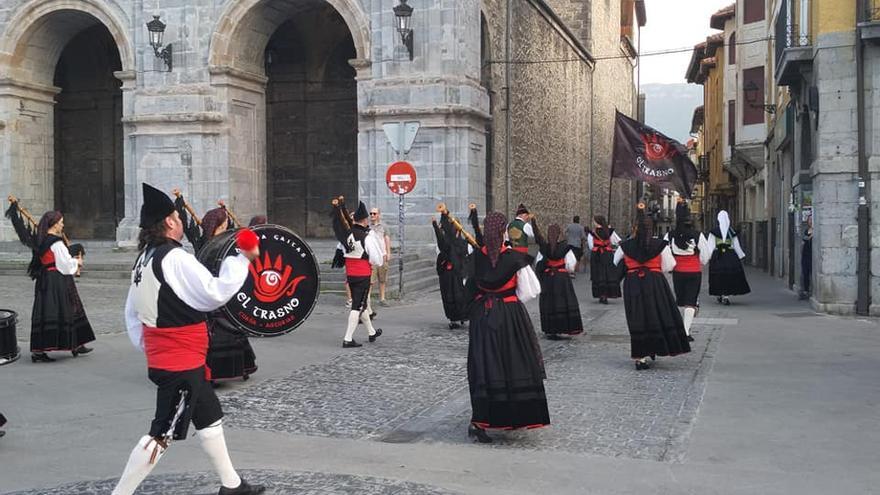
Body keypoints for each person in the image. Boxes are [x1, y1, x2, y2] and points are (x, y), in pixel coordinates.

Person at [113, 183, 264, 495]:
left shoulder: (144, 258)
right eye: (178, 217)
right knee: (161, 433)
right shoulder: (174, 258)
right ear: (169, 222)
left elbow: (132, 313)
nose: (182, 222)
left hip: (174, 357)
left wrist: (152, 346)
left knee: (208, 418)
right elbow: (213, 292)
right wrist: (243, 259)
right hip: (179, 361)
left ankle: (231, 485)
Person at [466, 211, 548, 444]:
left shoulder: (475, 258)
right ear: (503, 232)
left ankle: (480, 421)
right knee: (514, 362)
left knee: (484, 365)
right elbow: (530, 291)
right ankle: (513, 415)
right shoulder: (514, 259)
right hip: (510, 316)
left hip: (483, 316)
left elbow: (468, 288)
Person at [614, 204, 690, 370]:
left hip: (633, 283)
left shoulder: (625, 246)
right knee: (656, 314)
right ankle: (655, 347)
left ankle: (640, 357)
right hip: (655, 283)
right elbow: (670, 265)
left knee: (637, 318)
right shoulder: (660, 245)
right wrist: (654, 269)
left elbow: (616, 262)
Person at [199, 208, 258, 383]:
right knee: (223, 332)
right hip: (216, 293)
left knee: (229, 331)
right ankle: (216, 373)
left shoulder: (210, 241)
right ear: (220, 224)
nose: (227, 225)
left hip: (215, 293)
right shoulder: (218, 244)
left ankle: (229, 370)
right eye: (225, 223)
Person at [28, 212, 95, 362]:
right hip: (57, 280)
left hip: (45, 279)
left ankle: (75, 344)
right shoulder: (56, 243)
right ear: (54, 224)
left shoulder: (42, 239)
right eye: (61, 222)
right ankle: (62, 347)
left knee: (48, 310)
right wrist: (77, 262)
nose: (63, 225)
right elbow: (64, 264)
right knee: (66, 309)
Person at [332, 201, 384, 348]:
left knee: (359, 303)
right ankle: (348, 338)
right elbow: (377, 259)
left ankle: (371, 332)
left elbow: (342, 252)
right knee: (357, 306)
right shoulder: (367, 236)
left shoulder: (347, 235)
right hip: (363, 275)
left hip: (351, 274)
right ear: (365, 220)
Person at [533, 220, 583, 339]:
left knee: (549, 302)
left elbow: (538, 261)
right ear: (559, 234)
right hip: (561, 279)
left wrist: (534, 223)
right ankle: (562, 327)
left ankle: (551, 329)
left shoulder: (544, 247)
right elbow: (571, 265)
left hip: (548, 278)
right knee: (563, 301)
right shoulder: (565, 247)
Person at [664, 201, 706, 342]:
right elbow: (705, 256)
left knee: (680, 300)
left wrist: (669, 266)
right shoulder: (697, 235)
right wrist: (700, 261)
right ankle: (686, 331)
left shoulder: (670, 236)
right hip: (694, 271)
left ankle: (680, 327)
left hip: (678, 271)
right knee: (690, 301)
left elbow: (664, 252)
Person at [432, 211, 473, 329]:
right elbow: (440, 253)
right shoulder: (446, 244)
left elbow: (470, 256)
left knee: (460, 296)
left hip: (459, 274)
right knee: (450, 296)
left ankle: (461, 316)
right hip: (448, 274)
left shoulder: (465, 243)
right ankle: (455, 317)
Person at [701, 210, 751, 305]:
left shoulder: (714, 232)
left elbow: (710, 246)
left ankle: (720, 294)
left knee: (718, 276)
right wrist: (740, 255)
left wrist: (706, 257)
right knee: (729, 276)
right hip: (730, 256)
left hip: (717, 256)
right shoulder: (731, 232)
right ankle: (726, 295)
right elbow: (736, 245)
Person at [587, 215, 622, 304]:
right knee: (607, 274)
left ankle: (601, 295)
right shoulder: (609, 231)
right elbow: (619, 242)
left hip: (596, 255)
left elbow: (591, 246)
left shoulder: (592, 233)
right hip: (607, 255)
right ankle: (606, 294)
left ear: (596, 222)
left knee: (598, 274)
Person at [369, 208, 392, 306]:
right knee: (370, 280)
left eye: (374, 213)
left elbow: (387, 239)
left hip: (382, 255)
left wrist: (388, 253)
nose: (372, 215)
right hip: (372, 257)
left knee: (382, 279)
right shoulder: (367, 226)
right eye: (371, 213)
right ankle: (368, 299)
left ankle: (382, 298)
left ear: (378, 215)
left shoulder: (384, 226)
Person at [800, 214, 813, 301]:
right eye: (809, 220)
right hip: (805, 255)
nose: (810, 221)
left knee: (811, 272)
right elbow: (804, 240)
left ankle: (811, 290)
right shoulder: (806, 231)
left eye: (812, 220)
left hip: (812, 255)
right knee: (805, 273)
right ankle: (806, 290)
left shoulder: (815, 231)